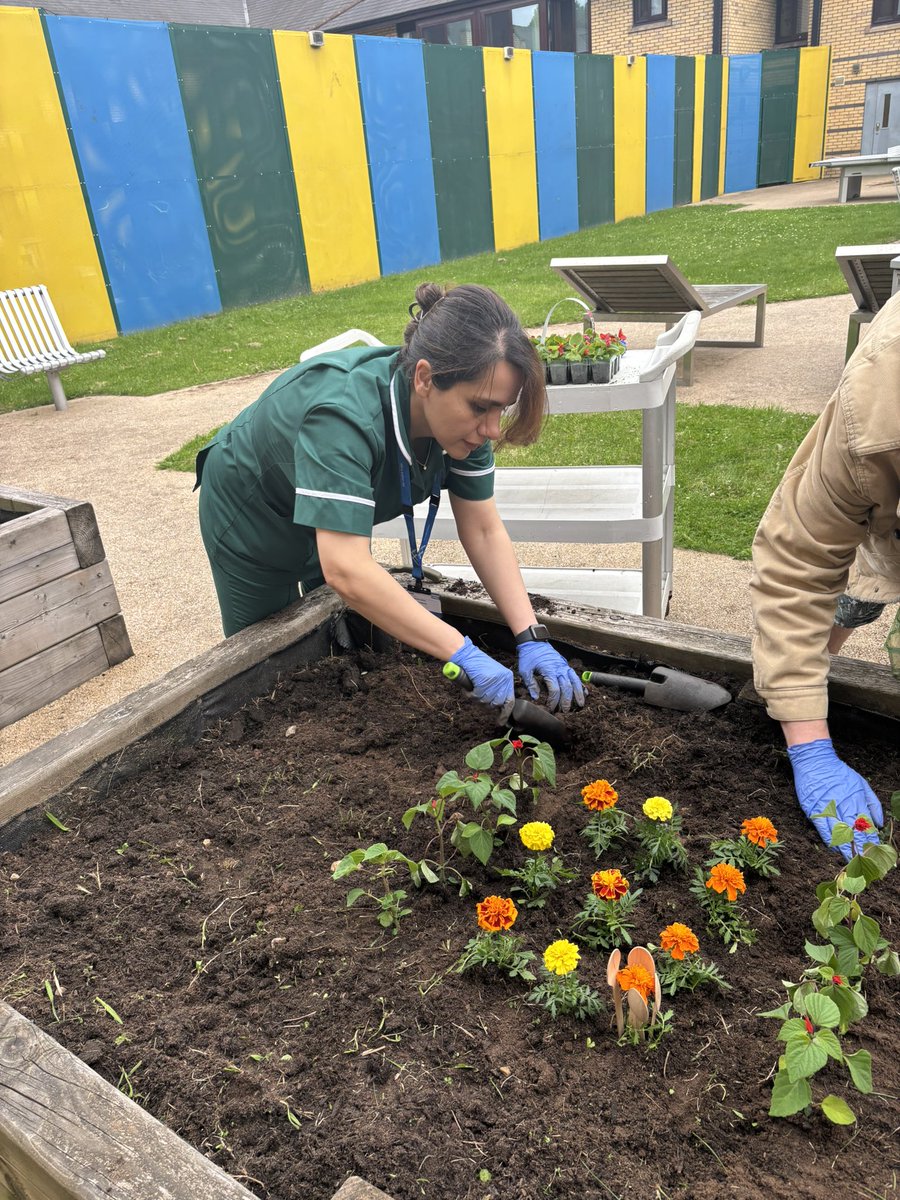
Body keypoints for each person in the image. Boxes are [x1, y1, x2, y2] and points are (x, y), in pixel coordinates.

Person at [195, 281, 584, 718]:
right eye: (480, 408)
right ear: (424, 378)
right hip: (255, 516)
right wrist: (463, 652)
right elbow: (347, 568)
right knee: (269, 672)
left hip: (326, 516)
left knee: (333, 636)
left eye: (501, 409)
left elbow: (483, 528)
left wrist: (530, 636)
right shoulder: (342, 416)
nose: (492, 428)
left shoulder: (465, 426)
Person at [749, 288, 900, 860]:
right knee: (855, 594)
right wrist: (809, 745)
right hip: (881, 515)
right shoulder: (880, 406)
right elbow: (800, 564)